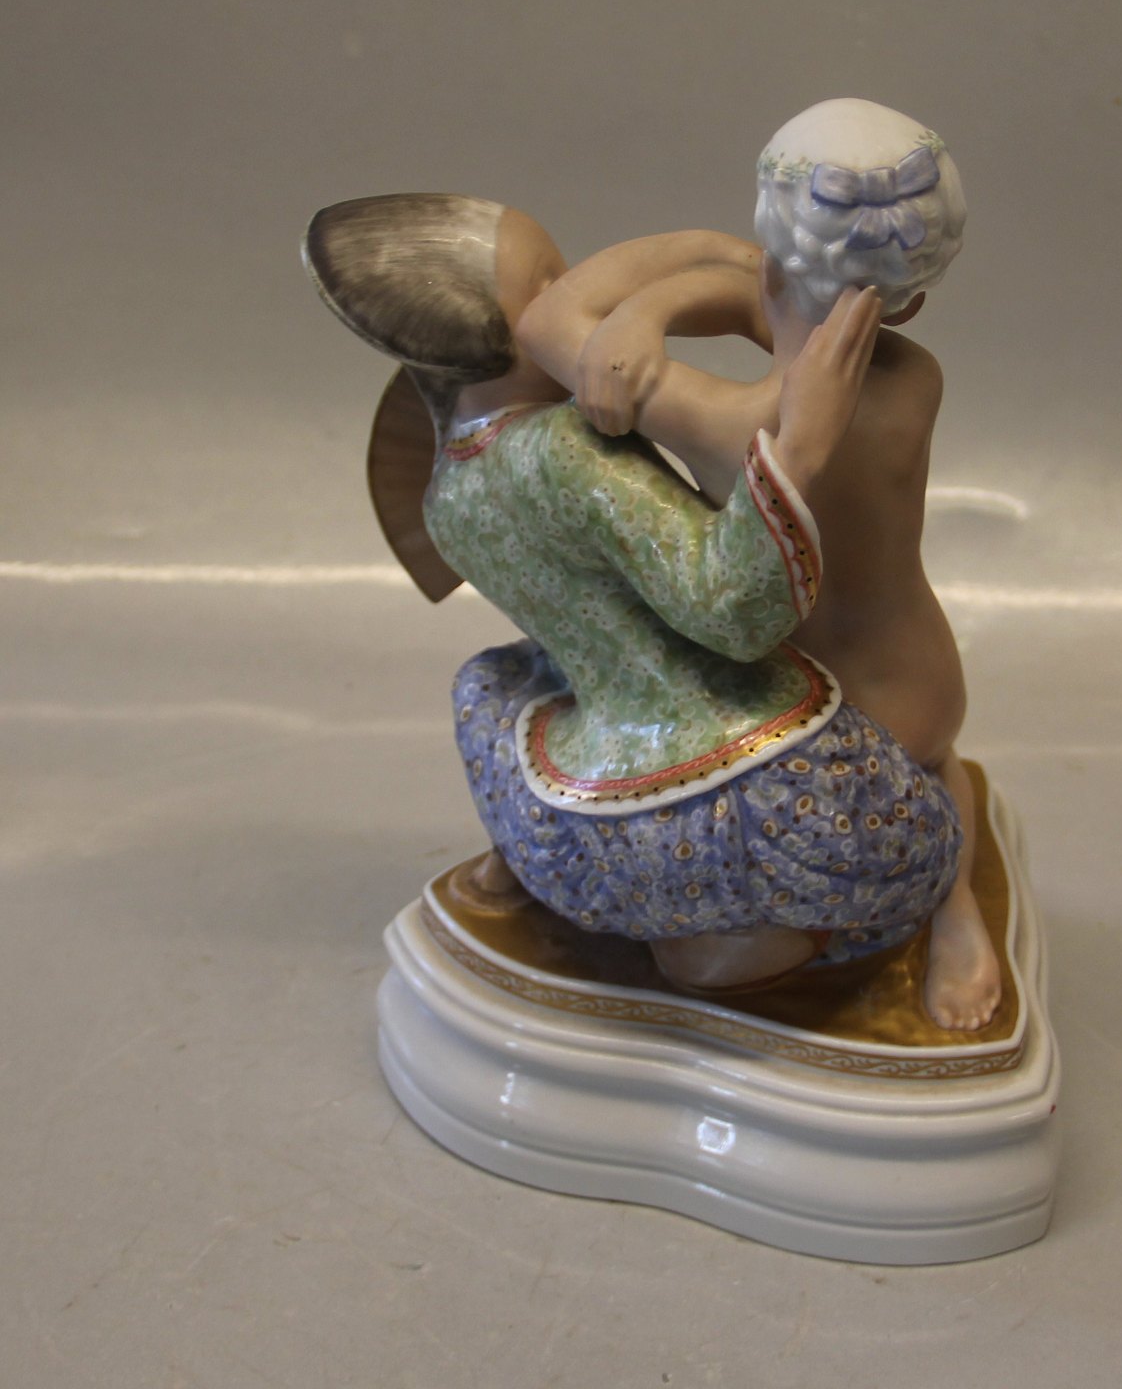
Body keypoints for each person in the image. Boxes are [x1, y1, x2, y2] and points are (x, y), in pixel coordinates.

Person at [305, 192, 964, 994]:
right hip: (724, 796)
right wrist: (798, 449)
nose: (580, 287)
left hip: (578, 801)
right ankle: (733, 933)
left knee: (494, 681)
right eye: (549, 281)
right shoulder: (565, 450)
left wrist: (702, 270)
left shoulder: (444, 491)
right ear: (487, 340)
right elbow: (733, 611)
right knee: (909, 841)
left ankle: (544, 868)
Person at [517, 99, 1001, 1030]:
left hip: (806, 701)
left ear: (770, 258)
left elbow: (547, 320)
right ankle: (958, 907)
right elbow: (768, 303)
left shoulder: (729, 422)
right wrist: (695, 293)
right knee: (936, 763)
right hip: (922, 679)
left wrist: (661, 292)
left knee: (737, 887)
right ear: (915, 298)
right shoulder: (918, 377)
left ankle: (909, 906)